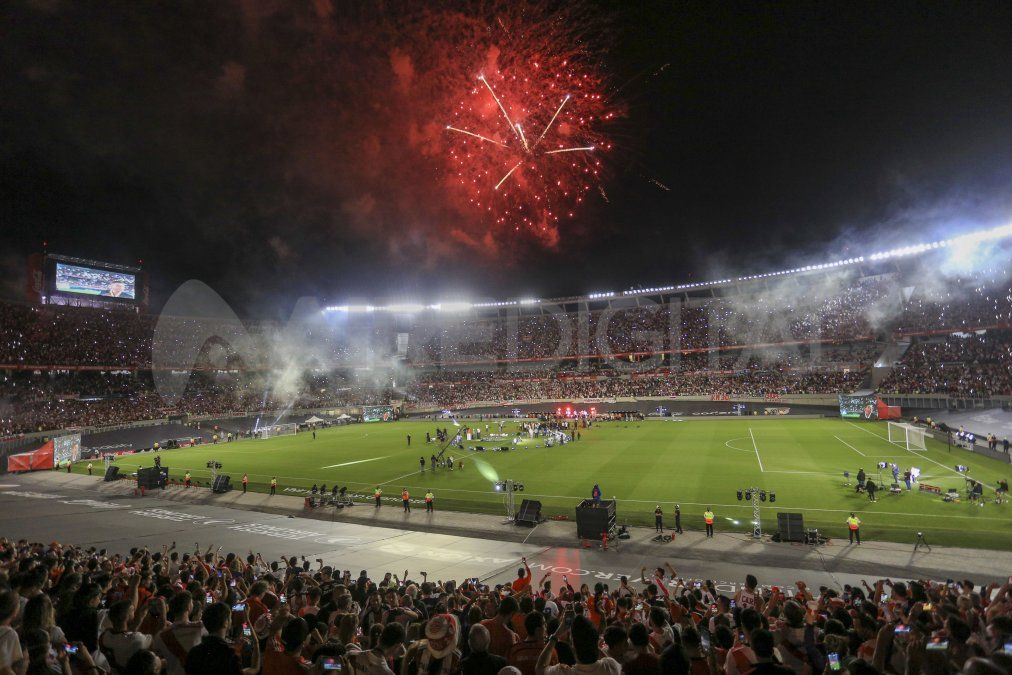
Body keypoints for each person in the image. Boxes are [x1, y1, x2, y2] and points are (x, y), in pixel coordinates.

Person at [184, 602, 259, 675]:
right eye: (230, 618)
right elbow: (254, 669)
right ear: (225, 623)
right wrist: (256, 643)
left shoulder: (194, 652)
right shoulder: (230, 655)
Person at [536, 614, 619, 675]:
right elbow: (606, 658)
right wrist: (589, 640)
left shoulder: (563, 672)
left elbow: (539, 669)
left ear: (573, 646)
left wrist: (555, 636)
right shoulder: (610, 666)